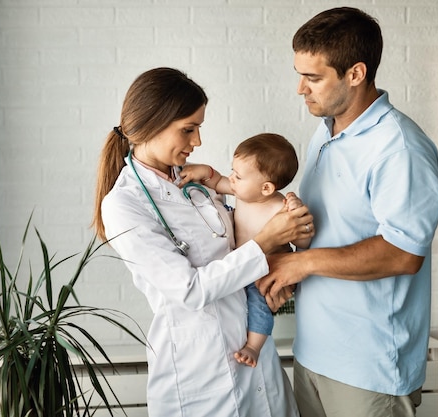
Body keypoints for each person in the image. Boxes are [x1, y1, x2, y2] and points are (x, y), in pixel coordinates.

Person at [92, 67, 313, 417]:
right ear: (152, 124)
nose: (197, 142)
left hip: (256, 354)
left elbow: (235, 243)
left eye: (199, 128)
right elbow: (191, 290)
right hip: (201, 373)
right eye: (188, 129)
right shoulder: (123, 204)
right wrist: (266, 242)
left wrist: (276, 270)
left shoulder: (194, 181)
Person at [257, 7, 438, 417]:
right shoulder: (324, 133)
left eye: (313, 77)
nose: (300, 89)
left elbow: (403, 253)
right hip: (313, 354)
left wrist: (300, 265)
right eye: (299, 73)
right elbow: (330, 232)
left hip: (369, 370)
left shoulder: (400, 147)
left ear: (355, 73)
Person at [179, 133, 311, 367]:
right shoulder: (244, 192)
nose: (231, 179)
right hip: (243, 265)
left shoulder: (278, 207)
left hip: (267, 272)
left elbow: (303, 239)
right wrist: (204, 172)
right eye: (233, 171)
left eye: (238, 176)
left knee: (258, 305)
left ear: (267, 187)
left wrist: (297, 211)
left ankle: (254, 346)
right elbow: (218, 181)